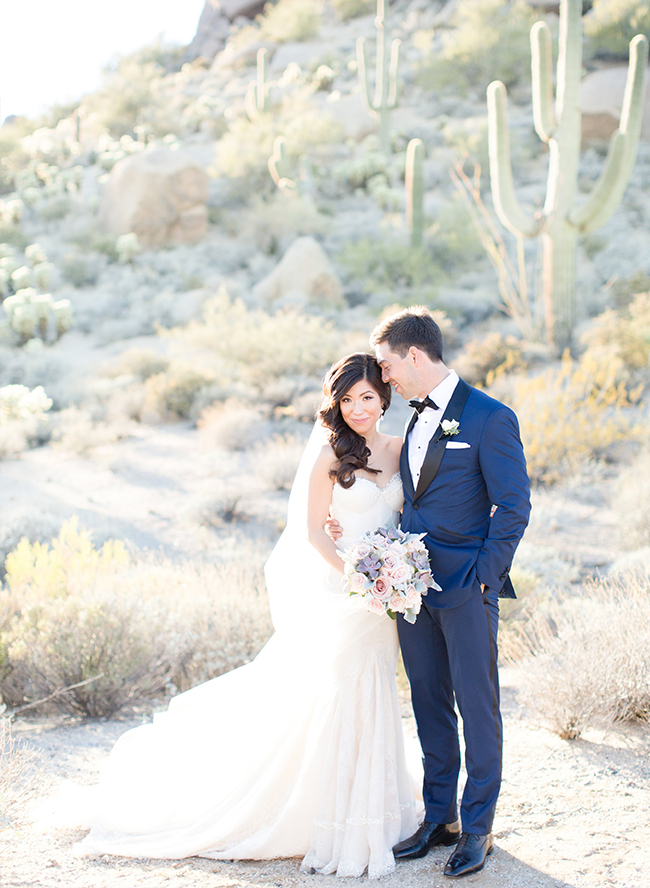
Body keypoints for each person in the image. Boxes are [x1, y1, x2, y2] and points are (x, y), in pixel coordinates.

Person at [39, 353, 420, 880]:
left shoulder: (401, 451)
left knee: (374, 690)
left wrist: (396, 572)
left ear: (385, 399)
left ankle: (371, 808)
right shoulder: (330, 455)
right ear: (336, 403)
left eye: (368, 398)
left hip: (384, 599)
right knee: (334, 692)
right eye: (348, 399)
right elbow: (312, 532)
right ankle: (323, 815)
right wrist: (361, 579)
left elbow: (410, 514)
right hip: (347, 591)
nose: (358, 409)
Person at [329, 308, 531, 878]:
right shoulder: (414, 421)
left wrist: (485, 575)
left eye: (389, 367)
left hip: (468, 588)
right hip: (409, 588)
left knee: (477, 707)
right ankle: (438, 818)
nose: (385, 379)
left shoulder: (491, 417)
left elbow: (513, 506)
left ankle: (478, 828)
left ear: (414, 356)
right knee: (428, 703)